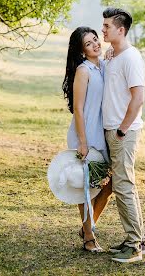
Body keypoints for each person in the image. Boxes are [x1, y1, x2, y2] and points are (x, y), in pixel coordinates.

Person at [102, 7, 145, 264]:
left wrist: (121, 129)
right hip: (114, 130)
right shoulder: (114, 55)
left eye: (107, 26)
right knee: (123, 186)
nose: (103, 30)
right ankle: (135, 239)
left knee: (124, 187)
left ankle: (134, 246)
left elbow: (138, 98)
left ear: (121, 30)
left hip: (123, 133)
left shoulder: (131, 57)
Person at [62, 27, 112, 253]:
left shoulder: (101, 66)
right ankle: (89, 237)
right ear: (82, 51)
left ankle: (88, 226)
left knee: (109, 185)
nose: (95, 44)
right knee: (87, 187)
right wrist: (82, 142)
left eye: (95, 39)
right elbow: (79, 110)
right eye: (88, 43)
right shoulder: (84, 70)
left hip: (102, 132)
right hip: (86, 133)